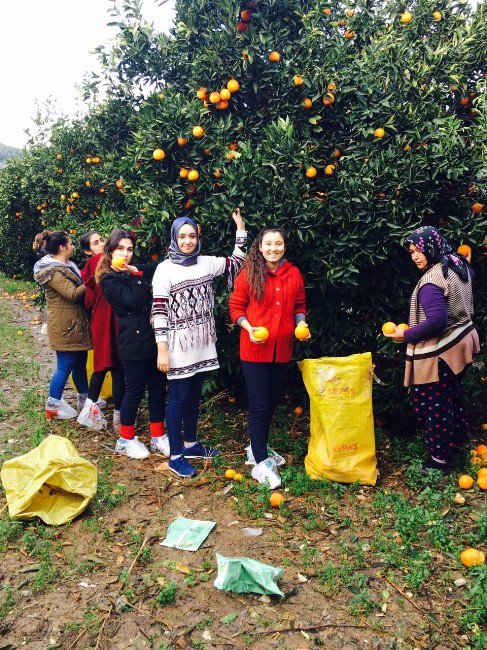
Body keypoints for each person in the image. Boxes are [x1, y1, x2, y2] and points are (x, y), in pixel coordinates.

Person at [152, 210, 247, 478]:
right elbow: (159, 312)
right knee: (178, 399)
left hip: (201, 342)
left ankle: (191, 444)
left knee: (194, 395)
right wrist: (162, 349)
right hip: (178, 346)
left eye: (191, 235)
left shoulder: (206, 263)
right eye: (182, 236)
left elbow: (236, 262)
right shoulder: (164, 270)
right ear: (174, 237)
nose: (187, 241)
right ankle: (175, 455)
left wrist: (240, 229)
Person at [384, 226, 479, 472]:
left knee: (433, 404)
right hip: (464, 341)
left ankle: (439, 461)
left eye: (419, 250)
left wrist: (405, 335)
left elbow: (436, 321)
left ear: (431, 247)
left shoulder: (431, 281)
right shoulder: (457, 264)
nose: (415, 256)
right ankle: (457, 444)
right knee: (451, 396)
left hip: (445, 350)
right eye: (412, 252)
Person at [229, 227, 308, 488]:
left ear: (284, 246)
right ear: (260, 247)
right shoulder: (249, 273)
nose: (273, 248)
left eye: (278, 244)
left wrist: (302, 324)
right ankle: (260, 462)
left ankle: (256, 446)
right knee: (260, 403)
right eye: (268, 244)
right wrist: (248, 328)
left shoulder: (293, 273)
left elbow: (299, 305)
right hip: (254, 350)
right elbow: (235, 306)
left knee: (273, 400)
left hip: (282, 349)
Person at [98, 229, 168, 459]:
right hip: (132, 344)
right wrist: (138, 276)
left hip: (153, 340)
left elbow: (159, 268)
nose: (125, 254)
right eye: (120, 249)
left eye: (129, 249)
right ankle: (125, 439)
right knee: (134, 392)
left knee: (158, 390)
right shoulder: (108, 278)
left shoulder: (132, 271)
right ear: (109, 251)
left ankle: (158, 436)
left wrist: (136, 271)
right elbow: (135, 300)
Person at [33, 231, 92, 419]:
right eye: (71, 243)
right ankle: (53, 404)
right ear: (62, 247)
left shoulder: (68, 266)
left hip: (76, 323)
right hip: (65, 326)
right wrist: (94, 278)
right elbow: (73, 294)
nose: (73, 246)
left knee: (80, 364)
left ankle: (84, 398)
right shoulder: (52, 271)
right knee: (65, 365)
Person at [77, 230, 126, 433]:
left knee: (101, 365)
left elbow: (87, 301)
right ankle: (119, 417)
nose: (101, 244)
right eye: (96, 242)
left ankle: (89, 409)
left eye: (102, 240)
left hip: (99, 321)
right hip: (114, 319)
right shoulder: (108, 261)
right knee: (118, 368)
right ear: (88, 250)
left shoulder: (87, 269)